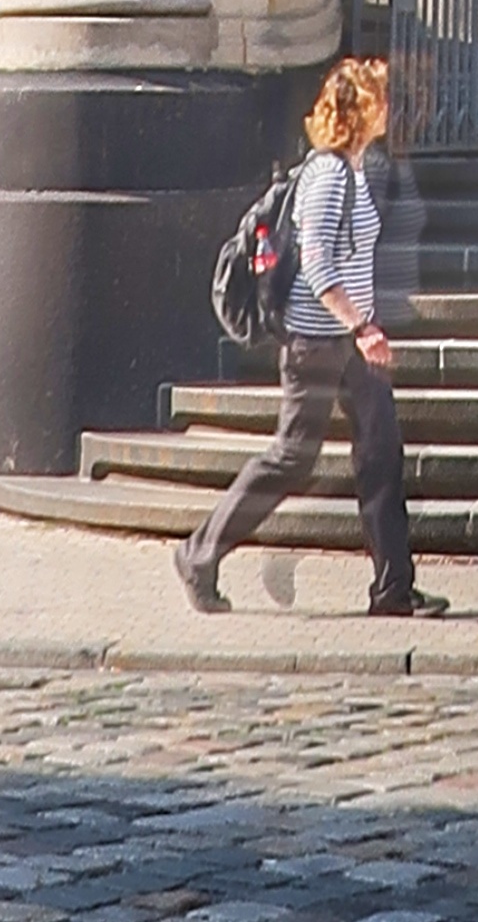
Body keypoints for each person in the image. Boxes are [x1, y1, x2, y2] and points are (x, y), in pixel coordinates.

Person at [176, 56, 444, 621]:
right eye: (380, 100)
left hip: (345, 346)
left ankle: (393, 587)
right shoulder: (326, 177)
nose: (389, 110)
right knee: (291, 458)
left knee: (380, 454)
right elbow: (319, 268)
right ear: (358, 111)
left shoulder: (353, 169)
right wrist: (364, 326)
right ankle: (199, 555)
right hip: (317, 345)